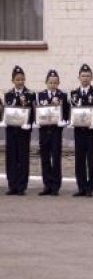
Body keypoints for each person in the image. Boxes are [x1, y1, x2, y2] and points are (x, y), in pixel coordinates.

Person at [70, 64, 93, 197]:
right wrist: (70, 121)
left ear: (92, 77)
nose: (85, 78)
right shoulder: (74, 93)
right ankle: (81, 187)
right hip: (78, 131)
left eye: (88, 76)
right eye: (83, 76)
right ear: (78, 77)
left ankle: (90, 188)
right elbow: (70, 111)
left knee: (91, 160)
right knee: (79, 160)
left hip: (91, 132)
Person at [1, 65, 35, 196]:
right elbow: (7, 109)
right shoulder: (8, 94)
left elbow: (32, 112)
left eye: (22, 79)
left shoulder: (30, 94)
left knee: (23, 157)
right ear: (13, 80)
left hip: (23, 131)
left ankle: (22, 186)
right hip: (11, 130)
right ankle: (12, 185)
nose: (20, 82)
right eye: (17, 79)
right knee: (11, 158)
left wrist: (30, 123)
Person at [35, 69, 69, 196]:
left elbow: (66, 112)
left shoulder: (63, 96)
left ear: (58, 83)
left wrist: (64, 121)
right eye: (50, 82)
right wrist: (36, 120)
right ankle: (46, 185)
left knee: (55, 158)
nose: (53, 84)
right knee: (44, 158)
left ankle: (55, 186)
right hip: (44, 131)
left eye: (55, 82)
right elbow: (37, 111)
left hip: (56, 131)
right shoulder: (41, 95)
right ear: (46, 82)